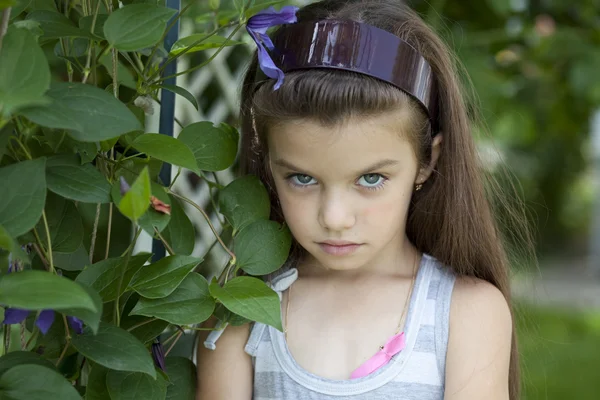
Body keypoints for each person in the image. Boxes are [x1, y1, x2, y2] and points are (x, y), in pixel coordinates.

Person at [196, 1, 534, 399]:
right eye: (302, 178)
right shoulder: (239, 314)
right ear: (268, 163)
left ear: (427, 162)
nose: (335, 218)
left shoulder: (465, 313)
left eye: (370, 178)